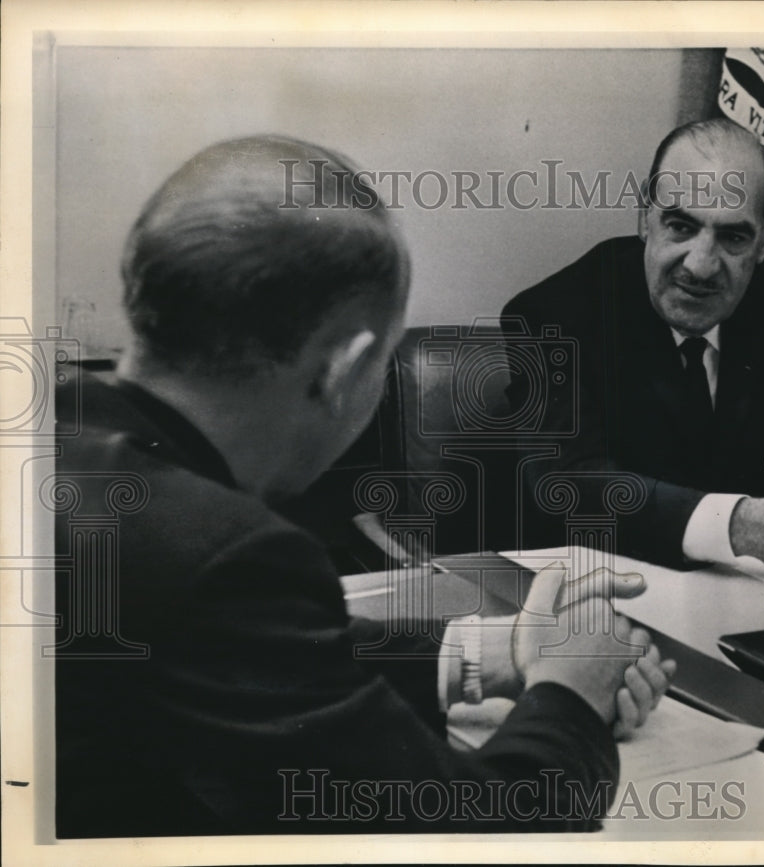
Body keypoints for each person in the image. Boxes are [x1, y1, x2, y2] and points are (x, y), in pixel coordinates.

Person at [53, 135, 674, 837]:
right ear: (343, 371)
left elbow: (246, 654)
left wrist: (486, 654)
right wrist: (571, 692)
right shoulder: (227, 554)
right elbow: (483, 831)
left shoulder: (57, 436)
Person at [503, 118, 764, 590]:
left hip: (736, 597)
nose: (700, 266)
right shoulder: (556, 314)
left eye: (733, 237)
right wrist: (743, 525)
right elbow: (569, 485)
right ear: (645, 216)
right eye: (680, 226)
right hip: (584, 595)